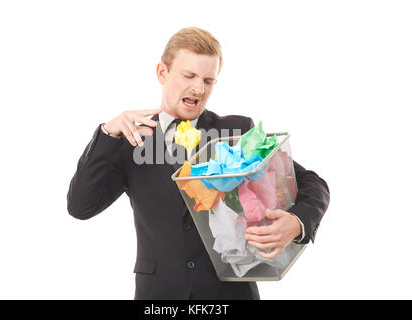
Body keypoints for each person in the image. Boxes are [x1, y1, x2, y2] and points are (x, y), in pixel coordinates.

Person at [67, 27, 330, 300]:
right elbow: (80, 206)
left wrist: (297, 222)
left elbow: (312, 182)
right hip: (159, 295)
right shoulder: (129, 140)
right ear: (162, 73)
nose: (199, 88)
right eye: (189, 75)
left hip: (228, 294)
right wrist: (107, 134)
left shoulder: (235, 132)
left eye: (208, 80)